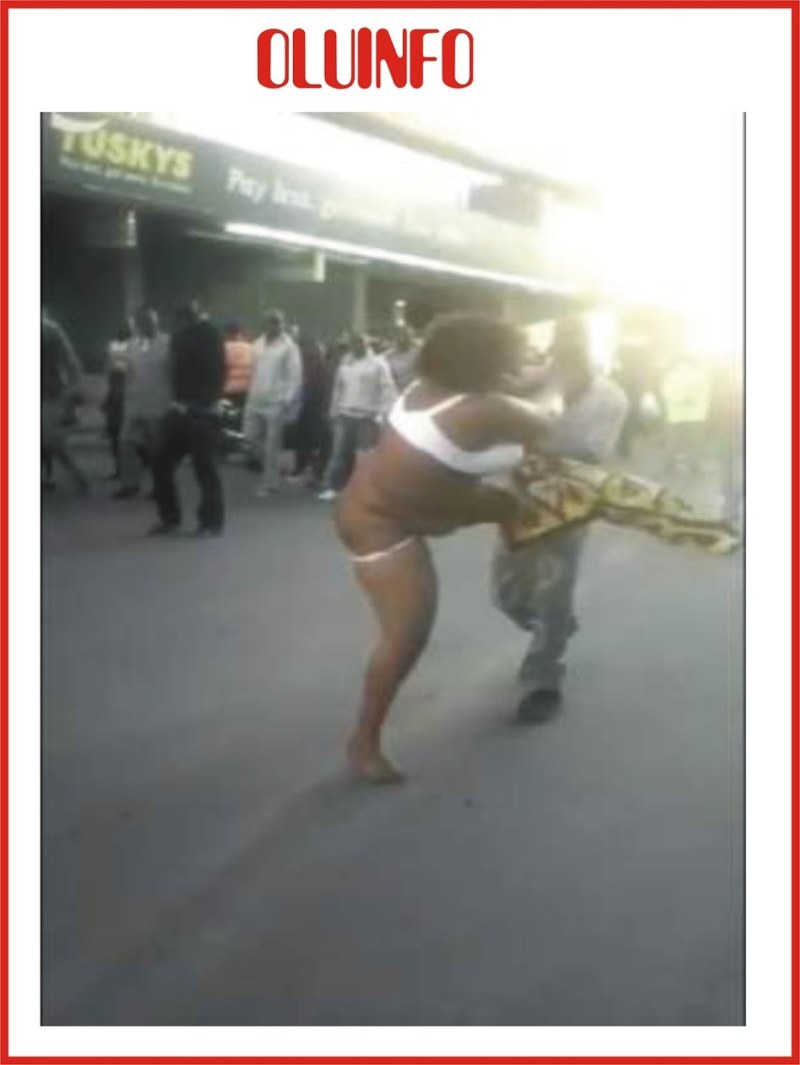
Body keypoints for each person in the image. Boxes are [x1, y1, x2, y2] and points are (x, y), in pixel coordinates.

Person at [334, 313, 553, 783]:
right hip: (383, 527)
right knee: (406, 636)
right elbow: (547, 416)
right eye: (513, 356)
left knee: (510, 506)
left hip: (403, 501)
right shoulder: (485, 410)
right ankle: (363, 743)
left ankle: (522, 589)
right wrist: (562, 377)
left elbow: (513, 400)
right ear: (488, 362)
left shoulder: (426, 387)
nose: (521, 363)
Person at [491, 317, 628, 723]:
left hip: (570, 503)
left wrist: (540, 435)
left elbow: (594, 451)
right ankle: (554, 626)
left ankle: (543, 677)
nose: (566, 351)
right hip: (519, 498)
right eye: (561, 343)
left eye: (575, 342)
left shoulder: (610, 397)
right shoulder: (532, 382)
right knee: (505, 594)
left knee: (554, 589)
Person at [150, 302, 226, 536]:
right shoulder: (180, 338)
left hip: (202, 412)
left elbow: (217, 371)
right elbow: (176, 373)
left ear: (185, 319)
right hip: (182, 408)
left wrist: (203, 402)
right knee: (161, 461)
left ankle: (210, 523)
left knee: (204, 467)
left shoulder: (209, 335)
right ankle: (171, 518)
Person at [318, 333, 398, 502]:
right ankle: (334, 488)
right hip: (345, 414)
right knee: (339, 454)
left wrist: (380, 415)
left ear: (366, 344)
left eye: (359, 343)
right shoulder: (346, 362)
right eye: (353, 343)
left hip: (367, 416)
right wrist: (333, 411)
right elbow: (338, 388)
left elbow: (388, 391)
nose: (356, 346)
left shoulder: (378, 364)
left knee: (364, 458)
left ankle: (363, 491)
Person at [243, 310, 302, 498]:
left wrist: (287, 400)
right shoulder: (257, 344)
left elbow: (295, 376)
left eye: (278, 322)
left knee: (272, 445)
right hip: (255, 398)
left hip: (276, 401)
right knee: (249, 437)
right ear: (265, 324)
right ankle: (275, 468)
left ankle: (269, 483)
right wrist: (249, 393)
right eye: (271, 322)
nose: (275, 325)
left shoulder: (289, 347)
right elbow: (253, 371)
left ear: (283, 324)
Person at [114, 308, 171, 500]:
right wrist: (121, 390)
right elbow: (125, 370)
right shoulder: (132, 344)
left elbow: (175, 372)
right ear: (138, 325)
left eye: (151, 322)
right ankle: (130, 485)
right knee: (125, 442)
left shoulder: (168, 343)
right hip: (134, 403)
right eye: (143, 322)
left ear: (156, 322)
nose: (148, 326)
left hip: (159, 404)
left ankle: (160, 487)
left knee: (158, 449)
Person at [40, 307, 89, 494]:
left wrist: (74, 388)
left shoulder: (51, 331)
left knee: (51, 440)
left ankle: (78, 475)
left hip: (50, 392)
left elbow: (70, 361)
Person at [660, 353, 712, 474]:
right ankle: (695, 466)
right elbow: (707, 394)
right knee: (694, 443)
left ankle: (669, 465)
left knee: (673, 442)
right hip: (696, 416)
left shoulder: (671, 375)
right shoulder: (701, 375)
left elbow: (666, 393)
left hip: (675, 415)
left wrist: (680, 399)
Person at [102, 320, 134, 480]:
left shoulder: (132, 348)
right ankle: (122, 468)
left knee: (120, 435)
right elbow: (112, 373)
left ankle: (124, 468)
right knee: (116, 434)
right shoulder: (119, 347)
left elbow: (115, 373)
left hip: (124, 396)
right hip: (119, 396)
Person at [222, 320, 254, 411]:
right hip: (246, 390)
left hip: (228, 391)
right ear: (241, 333)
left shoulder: (222, 348)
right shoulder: (251, 348)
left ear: (227, 333)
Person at [384, 326, 420, 392]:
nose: (401, 339)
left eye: (405, 337)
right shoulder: (388, 357)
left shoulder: (418, 353)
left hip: (417, 390)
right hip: (399, 392)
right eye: (398, 337)